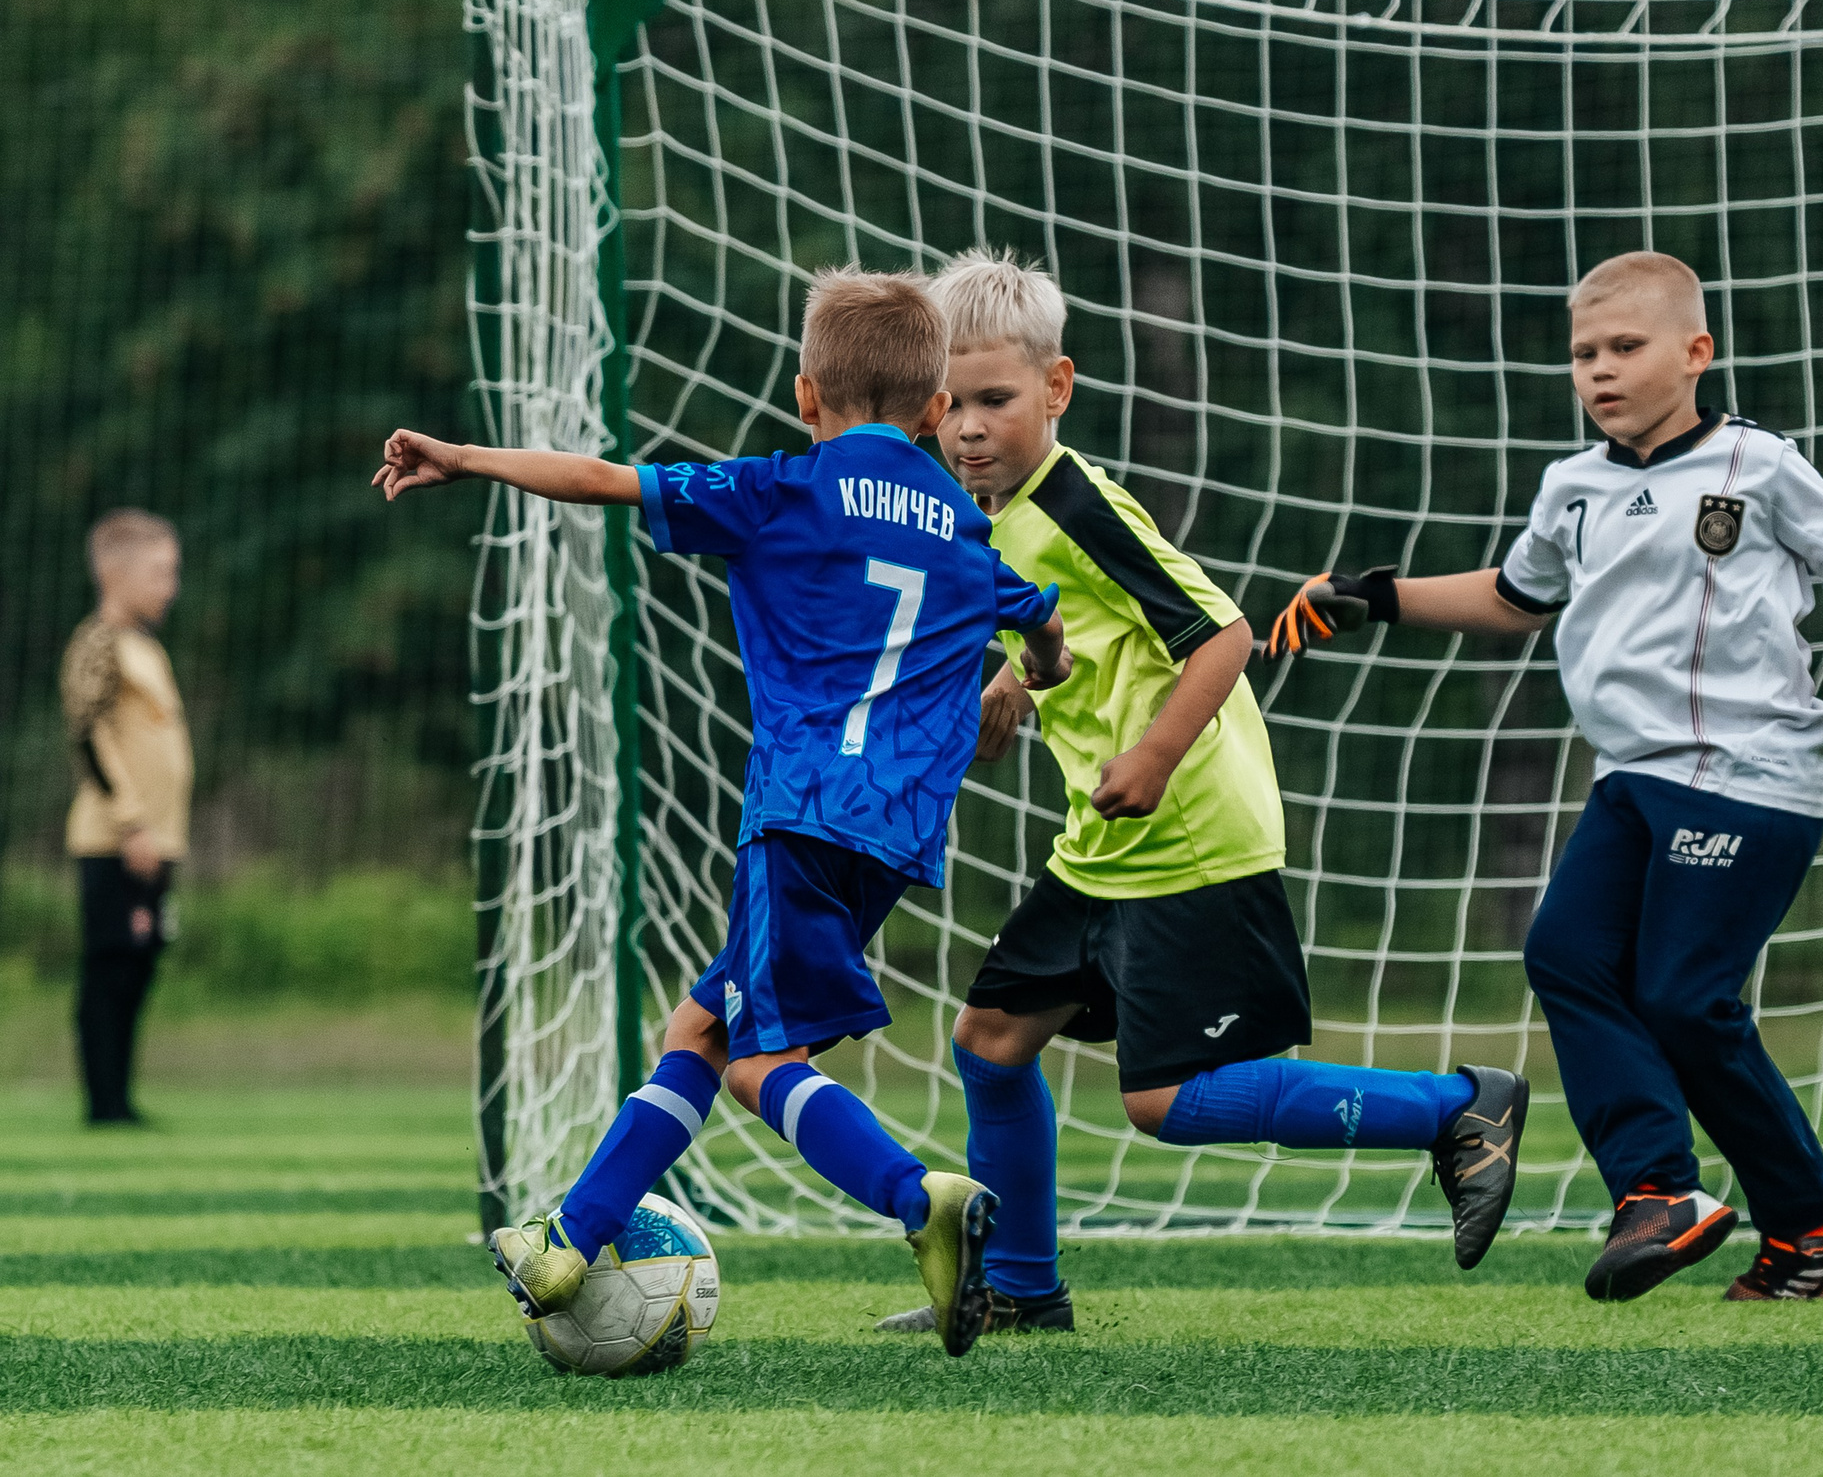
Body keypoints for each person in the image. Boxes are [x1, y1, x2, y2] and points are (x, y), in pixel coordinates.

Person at [373, 269, 1070, 1358]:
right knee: (699, 1029)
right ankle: (569, 1240)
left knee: (754, 1060)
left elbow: (598, 477)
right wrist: (1028, 678)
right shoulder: (967, 534)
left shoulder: (779, 489)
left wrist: (464, 458)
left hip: (799, 816)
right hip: (895, 838)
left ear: (806, 396)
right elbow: (1045, 625)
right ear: (937, 409)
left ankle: (916, 1195)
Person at [872, 249, 1526, 1337]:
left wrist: (1154, 757)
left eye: (996, 400)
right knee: (989, 1040)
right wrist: (1013, 685)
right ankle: (1024, 1289)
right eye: (954, 406)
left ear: (1056, 388)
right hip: (1105, 846)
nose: (970, 429)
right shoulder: (995, 516)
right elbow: (1083, 634)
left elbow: (1223, 634)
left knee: (1163, 1102)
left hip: (1187, 831)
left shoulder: (1077, 504)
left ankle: (1459, 1109)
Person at [1267, 250, 1823, 1303]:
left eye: (1626, 347)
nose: (1600, 370)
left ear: (1696, 352)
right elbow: (1514, 596)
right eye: (1584, 354)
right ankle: (1661, 1192)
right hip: (1630, 776)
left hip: (1748, 773)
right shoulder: (1572, 486)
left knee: (1681, 997)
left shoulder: (1757, 465)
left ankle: (1809, 1221)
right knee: (1566, 954)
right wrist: (1376, 595)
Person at [61, 509, 191, 1128]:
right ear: (117, 575)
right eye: (161, 573)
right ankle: (104, 1106)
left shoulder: (145, 647)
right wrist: (132, 822)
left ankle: (120, 1100)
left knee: (138, 967)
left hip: (156, 841)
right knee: (110, 966)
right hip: (115, 842)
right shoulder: (99, 643)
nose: (171, 587)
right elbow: (87, 736)